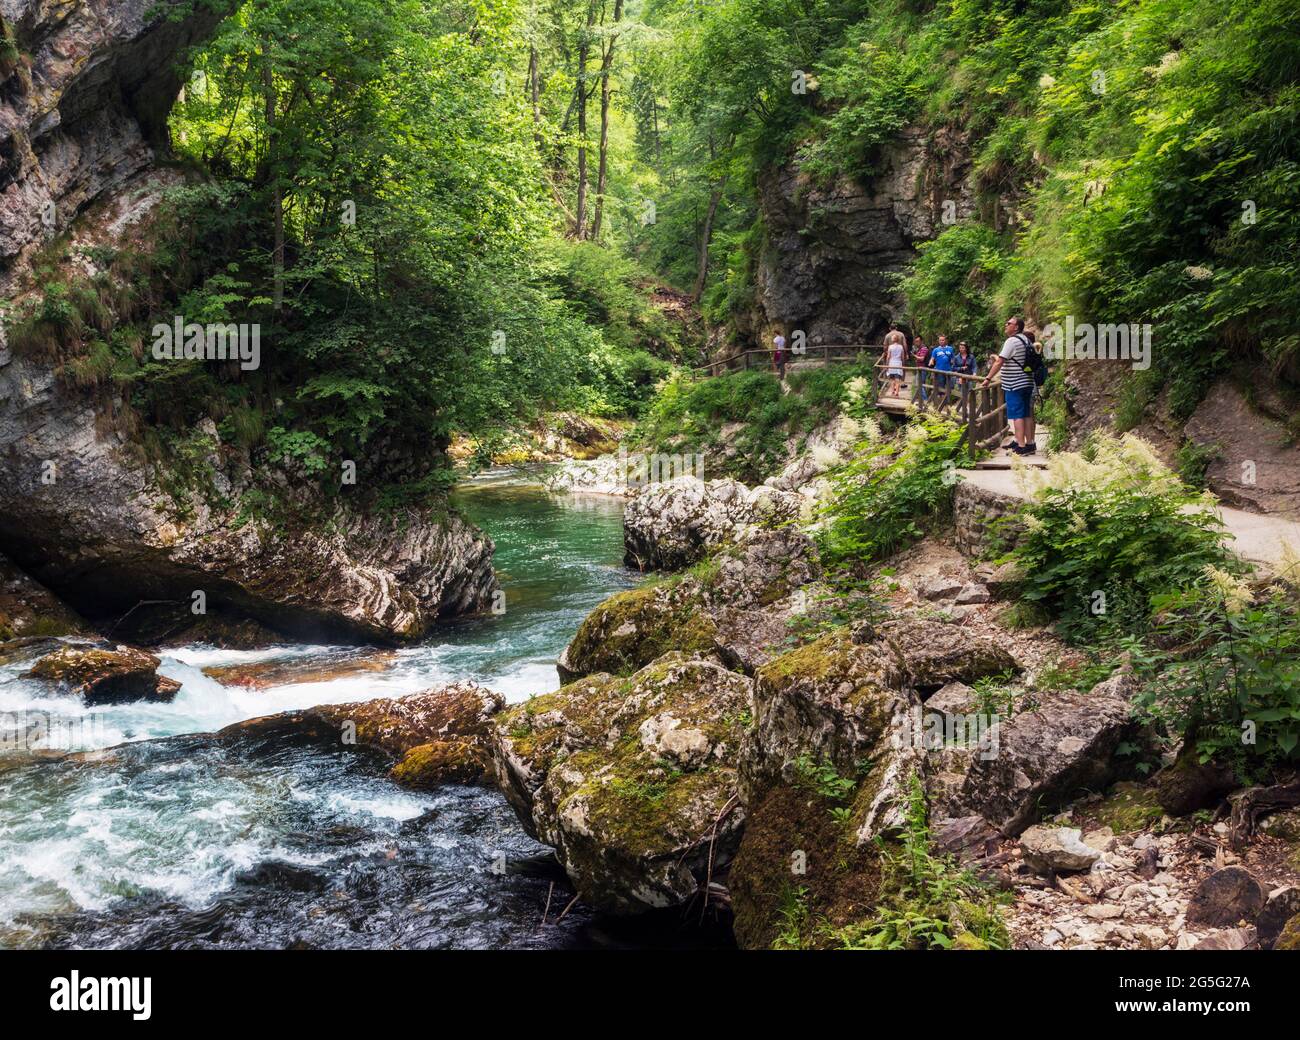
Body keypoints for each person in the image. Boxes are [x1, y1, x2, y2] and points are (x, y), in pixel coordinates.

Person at [981, 315, 1036, 455]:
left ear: (1016, 327)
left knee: (1017, 414)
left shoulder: (1011, 341)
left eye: (1008, 323)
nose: (1005, 325)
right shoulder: (1025, 339)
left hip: (1014, 384)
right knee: (1027, 414)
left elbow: (999, 361)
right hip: (1027, 381)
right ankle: (1030, 444)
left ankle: (1021, 446)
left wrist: (988, 378)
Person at [928, 333, 955, 405]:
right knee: (941, 386)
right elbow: (932, 358)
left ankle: (948, 401)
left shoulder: (950, 349)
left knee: (950, 386)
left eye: (943, 340)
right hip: (939, 371)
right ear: (938, 341)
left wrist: (953, 365)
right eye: (940, 340)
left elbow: (953, 359)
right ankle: (942, 403)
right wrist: (930, 363)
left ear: (945, 340)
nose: (942, 341)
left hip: (948, 370)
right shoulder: (936, 350)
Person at [912, 336, 929, 401]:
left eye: (918, 341)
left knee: (918, 384)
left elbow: (922, 359)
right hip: (920, 369)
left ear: (921, 341)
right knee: (921, 385)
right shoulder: (920, 349)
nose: (916, 343)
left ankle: (925, 400)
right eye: (915, 341)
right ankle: (922, 401)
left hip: (922, 369)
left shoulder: (924, 348)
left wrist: (914, 356)